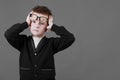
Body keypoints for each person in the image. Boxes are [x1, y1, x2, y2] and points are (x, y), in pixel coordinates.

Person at [4, 5, 75, 80]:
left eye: (41, 23)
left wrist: (53, 26)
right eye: (34, 22)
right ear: (30, 24)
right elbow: (8, 34)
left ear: (47, 28)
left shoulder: (51, 43)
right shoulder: (23, 42)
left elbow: (70, 38)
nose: (37, 25)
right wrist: (26, 23)